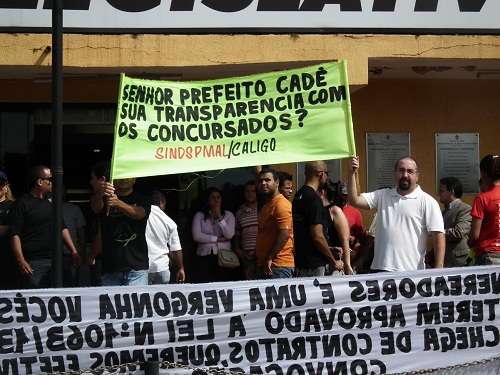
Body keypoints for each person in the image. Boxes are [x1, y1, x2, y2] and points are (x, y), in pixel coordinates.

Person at [348, 156, 445, 272]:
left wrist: (439, 271)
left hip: (411, 272)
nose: (405, 175)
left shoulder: (428, 202)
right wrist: (353, 172)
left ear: (417, 176)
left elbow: (438, 236)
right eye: (401, 170)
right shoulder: (382, 195)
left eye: (410, 171)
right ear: (395, 173)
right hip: (380, 270)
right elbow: (355, 200)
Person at [9, 165, 80, 288]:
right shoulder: (22, 203)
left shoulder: (52, 201)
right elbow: (15, 234)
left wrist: (73, 251)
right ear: (40, 182)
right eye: (50, 179)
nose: (53, 183)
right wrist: (21, 260)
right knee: (37, 300)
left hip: (58, 259)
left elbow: (62, 227)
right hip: (35, 261)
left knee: (63, 295)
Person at [91, 165, 151, 286]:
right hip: (110, 267)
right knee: (110, 305)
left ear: (134, 179)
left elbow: (139, 214)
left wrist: (118, 203)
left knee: (137, 305)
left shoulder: (142, 199)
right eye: (120, 175)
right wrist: (100, 193)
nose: (124, 179)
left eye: (127, 176)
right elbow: (96, 208)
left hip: (136, 267)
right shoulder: (104, 198)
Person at [293, 161, 351, 276]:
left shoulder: (298, 196)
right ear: (320, 174)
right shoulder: (314, 199)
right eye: (327, 173)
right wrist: (333, 261)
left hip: (301, 263)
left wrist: (329, 248)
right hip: (315, 266)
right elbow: (317, 236)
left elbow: (306, 234)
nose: (327, 177)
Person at [255, 168, 294, 278]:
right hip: (266, 265)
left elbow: (284, 233)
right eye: (261, 180)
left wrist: (270, 257)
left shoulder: (281, 204)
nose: (263, 183)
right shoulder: (267, 205)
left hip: (279, 266)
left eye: (267, 180)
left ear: (277, 183)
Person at [192, 187, 235, 282]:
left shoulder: (229, 215)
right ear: (208, 200)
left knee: (224, 284)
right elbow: (197, 236)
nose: (216, 200)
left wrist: (219, 217)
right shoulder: (200, 215)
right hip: (204, 256)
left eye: (218, 197)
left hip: (224, 256)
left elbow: (229, 235)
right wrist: (216, 239)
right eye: (213, 197)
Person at [147, 190, 185, 284]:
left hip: (142, 269)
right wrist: (181, 268)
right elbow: (176, 249)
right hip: (162, 267)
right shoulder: (169, 222)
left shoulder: (140, 215)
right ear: (162, 202)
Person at [469, 154, 500, 265]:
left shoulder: (482, 198)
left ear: (484, 173)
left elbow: (475, 235)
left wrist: (469, 243)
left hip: (489, 255)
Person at [318, 179, 351, 276]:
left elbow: (345, 240)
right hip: (321, 264)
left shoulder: (335, 211)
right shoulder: (318, 210)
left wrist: (347, 265)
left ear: (322, 192)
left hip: (335, 266)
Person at [438, 177, 471, 267]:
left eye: (441, 191)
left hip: (459, 261)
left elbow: (459, 232)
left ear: (451, 191)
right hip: (446, 261)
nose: (438, 194)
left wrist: (438, 233)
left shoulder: (465, 209)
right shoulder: (443, 212)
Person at [62, 187, 86, 287]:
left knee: (70, 286)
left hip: (70, 255)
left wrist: (82, 252)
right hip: (51, 255)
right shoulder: (46, 207)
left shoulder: (74, 209)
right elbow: (81, 233)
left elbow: (81, 233)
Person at [234, 180, 258, 280]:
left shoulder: (263, 208)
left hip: (262, 255)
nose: (250, 194)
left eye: (253, 191)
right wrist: (238, 250)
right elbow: (237, 234)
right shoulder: (239, 212)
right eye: (247, 191)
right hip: (246, 257)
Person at [0, 171, 17, 289]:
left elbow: (12, 229)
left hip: (7, 258)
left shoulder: (13, 206)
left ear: (6, 186)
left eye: (0, 184)